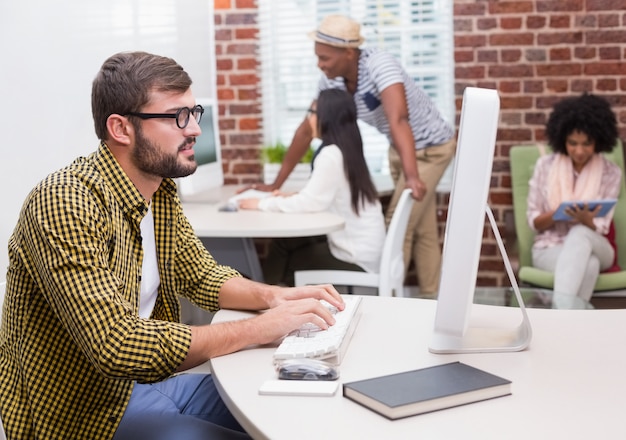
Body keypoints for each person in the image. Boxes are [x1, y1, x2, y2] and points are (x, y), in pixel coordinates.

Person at [0, 51, 345, 440]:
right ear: (121, 128)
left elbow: (200, 274)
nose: (195, 129)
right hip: (81, 415)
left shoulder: (159, 189)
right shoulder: (65, 200)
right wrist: (261, 329)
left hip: (141, 388)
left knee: (291, 405)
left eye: (194, 112)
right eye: (178, 116)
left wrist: (275, 298)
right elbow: (118, 344)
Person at [249, 15, 456, 297]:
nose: (319, 65)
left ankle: (389, 301)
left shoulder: (378, 65)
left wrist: (411, 176)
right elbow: (305, 130)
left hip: (432, 147)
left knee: (401, 223)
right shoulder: (330, 81)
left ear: (349, 52)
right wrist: (275, 185)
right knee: (423, 229)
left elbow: (399, 119)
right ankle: (432, 299)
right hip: (400, 148)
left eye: (325, 58)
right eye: (317, 58)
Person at [239, 89, 386, 286]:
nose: (309, 120)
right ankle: (265, 293)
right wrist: (291, 196)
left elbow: (310, 202)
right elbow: (324, 195)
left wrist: (261, 204)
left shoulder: (331, 154)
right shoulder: (348, 149)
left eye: (312, 113)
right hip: (367, 253)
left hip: (355, 258)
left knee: (291, 260)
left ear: (326, 117)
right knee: (286, 242)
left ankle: (264, 298)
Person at [527, 93, 622, 305]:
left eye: (586, 144)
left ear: (598, 140)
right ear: (562, 139)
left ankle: (558, 319)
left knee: (580, 234)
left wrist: (585, 219)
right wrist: (557, 212)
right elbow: (533, 221)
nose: (579, 151)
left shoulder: (610, 172)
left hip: (598, 244)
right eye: (573, 143)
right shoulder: (545, 167)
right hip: (549, 248)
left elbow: (602, 228)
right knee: (589, 265)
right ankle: (574, 322)